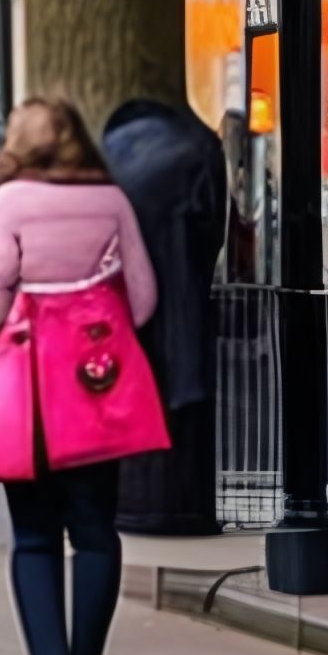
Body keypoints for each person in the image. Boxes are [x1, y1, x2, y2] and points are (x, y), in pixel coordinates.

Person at [0, 99, 159, 655]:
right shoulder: (112, 201)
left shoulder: (10, 202)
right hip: (100, 390)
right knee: (96, 536)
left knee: (34, 538)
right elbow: (144, 300)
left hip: (32, 397)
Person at [98, 95, 227, 535]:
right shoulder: (196, 151)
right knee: (185, 383)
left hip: (126, 311)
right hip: (186, 294)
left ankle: (137, 501)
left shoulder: (110, 159)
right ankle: (182, 505)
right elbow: (213, 227)